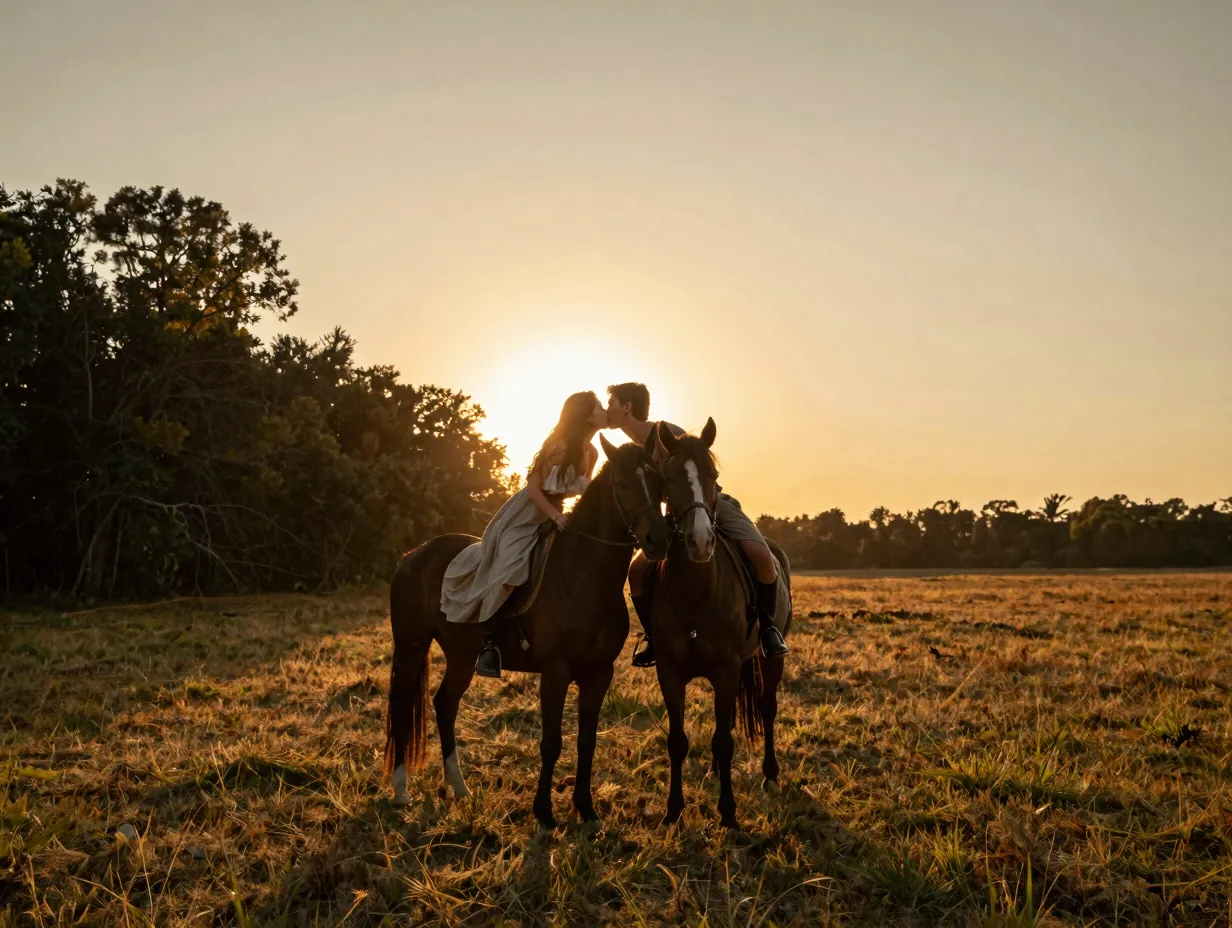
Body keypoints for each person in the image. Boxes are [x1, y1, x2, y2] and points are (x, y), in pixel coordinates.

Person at [604, 382, 789, 665]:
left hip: (711, 505)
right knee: (638, 571)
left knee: (762, 556)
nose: (608, 410)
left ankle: (768, 630)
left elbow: (698, 479)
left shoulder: (669, 433)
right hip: (672, 516)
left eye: (612, 403)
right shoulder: (632, 451)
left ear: (627, 408)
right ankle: (653, 637)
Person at [441, 390, 608, 678]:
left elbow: (582, 491)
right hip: (527, 514)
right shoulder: (558, 446)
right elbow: (534, 489)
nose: (604, 411)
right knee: (511, 570)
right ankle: (488, 643)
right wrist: (555, 516)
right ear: (586, 414)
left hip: (558, 513)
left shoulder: (591, 452)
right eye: (599, 407)